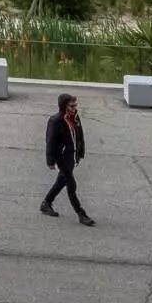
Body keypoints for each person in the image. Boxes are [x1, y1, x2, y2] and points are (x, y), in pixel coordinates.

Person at [43, 93, 94, 224]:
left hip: (72, 156)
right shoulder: (55, 121)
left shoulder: (75, 117)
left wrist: (81, 151)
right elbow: (50, 141)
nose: (75, 108)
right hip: (62, 158)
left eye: (75, 105)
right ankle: (81, 214)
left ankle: (46, 203)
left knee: (61, 181)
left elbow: (79, 135)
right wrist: (50, 160)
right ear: (64, 106)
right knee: (71, 185)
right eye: (72, 105)